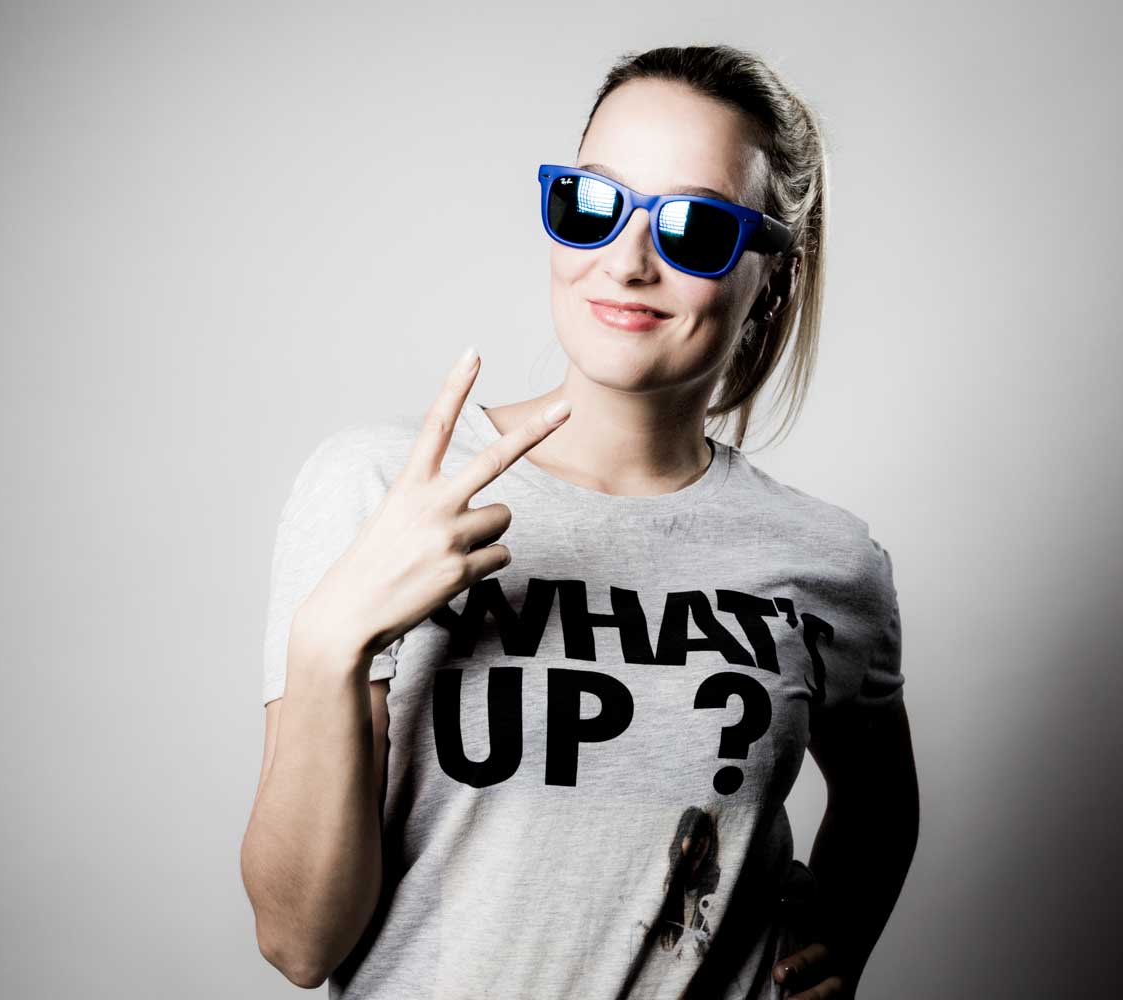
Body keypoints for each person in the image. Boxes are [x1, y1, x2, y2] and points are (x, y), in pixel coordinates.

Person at [241, 44, 919, 1000]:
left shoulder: (828, 560)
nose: (628, 262)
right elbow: (299, 942)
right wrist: (330, 642)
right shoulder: (384, 487)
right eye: (593, 203)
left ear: (772, 273)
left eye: (694, 226)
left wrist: (837, 936)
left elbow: (881, 808)